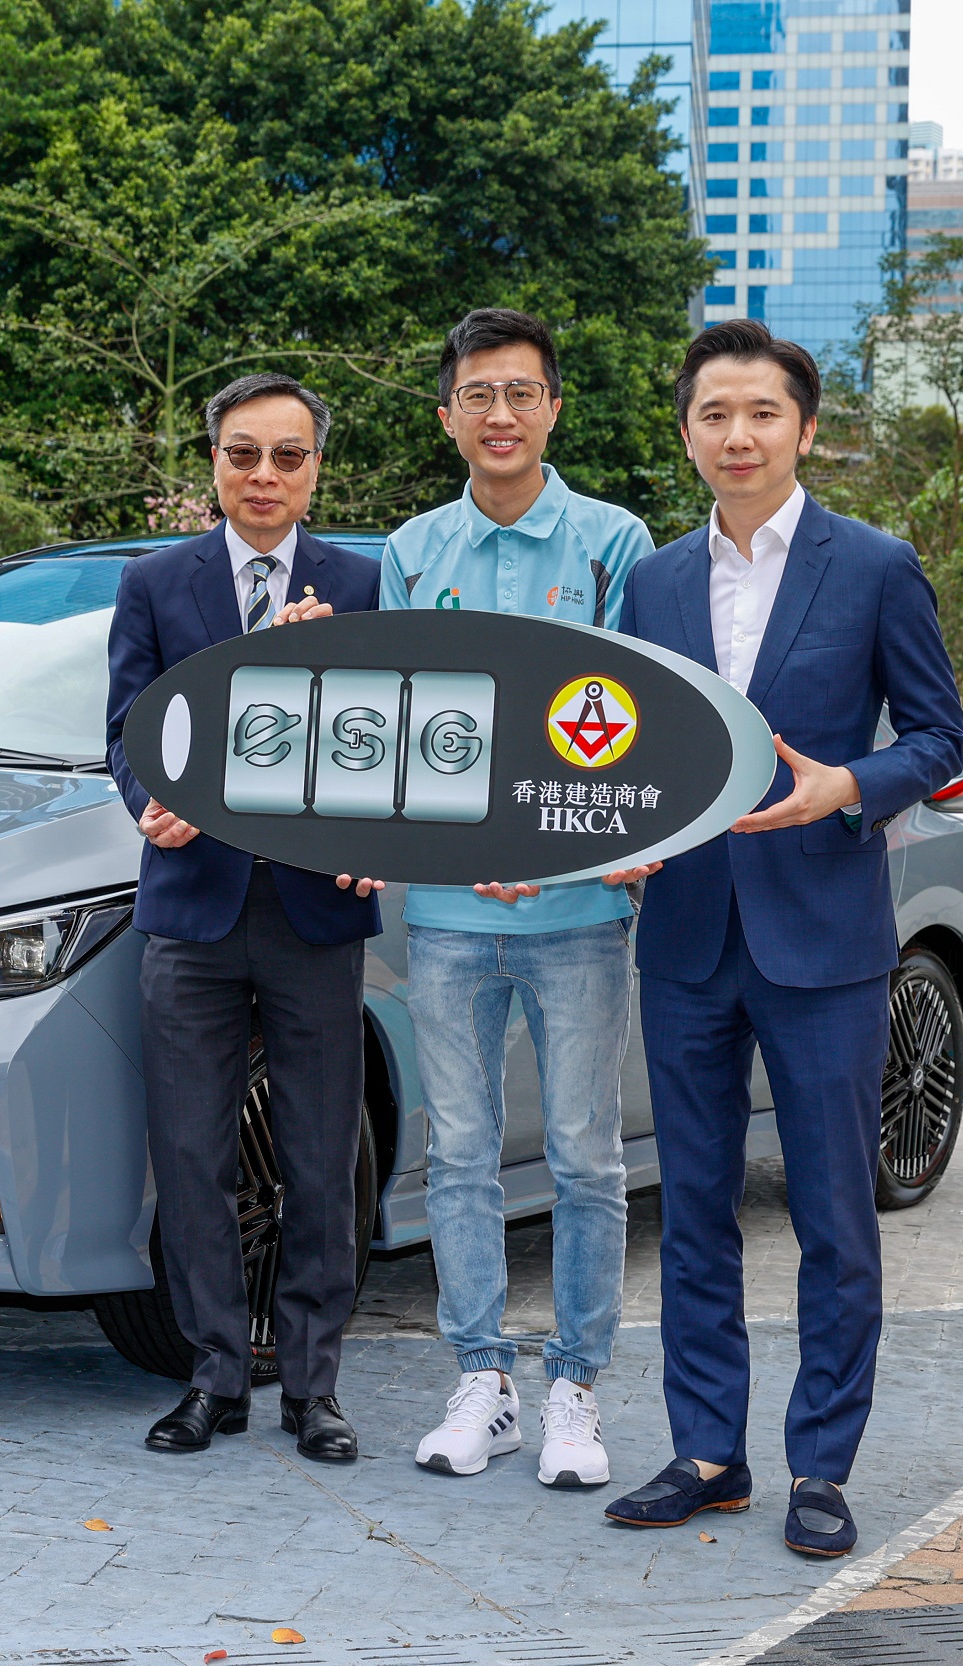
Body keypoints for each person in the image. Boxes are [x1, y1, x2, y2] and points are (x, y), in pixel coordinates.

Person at [600, 319, 963, 1556]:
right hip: (688, 937)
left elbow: (938, 736)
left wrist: (844, 788)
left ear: (803, 429)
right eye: (714, 414)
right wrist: (615, 834)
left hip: (825, 936)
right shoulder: (650, 580)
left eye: (761, 412)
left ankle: (822, 1464)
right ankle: (708, 1450)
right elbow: (626, 750)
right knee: (694, 1210)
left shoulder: (872, 564)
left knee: (828, 1216)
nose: (737, 434)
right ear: (689, 432)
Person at [380, 308, 655, 1489]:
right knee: (459, 1156)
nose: (500, 415)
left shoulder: (614, 542)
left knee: (589, 1155)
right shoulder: (409, 550)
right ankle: (481, 1379)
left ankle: (575, 1391)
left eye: (521, 393)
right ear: (447, 414)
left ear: (555, 407)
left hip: (580, 915)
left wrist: (583, 849)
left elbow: (647, 726)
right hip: (444, 915)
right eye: (477, 395)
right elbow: (399, 725)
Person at [103, 371, 385, 1463]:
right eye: (241, 453)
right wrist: (147, 804)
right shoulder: (155, 581)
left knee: (320, 1159)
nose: (263, 475)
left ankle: (313, 1388)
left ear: (317, 466)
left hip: (314, 910)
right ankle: (212, 1377)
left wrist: (375, 841)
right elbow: (127, 729)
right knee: (190, 1155)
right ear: (211, 461)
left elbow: (386, 739)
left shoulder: (359, 584)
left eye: (287, 455)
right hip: (190, 908)